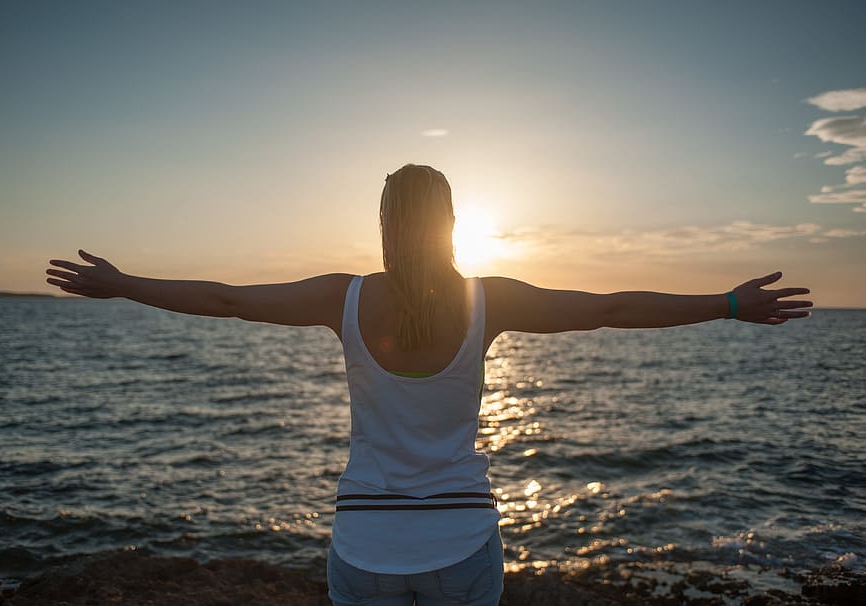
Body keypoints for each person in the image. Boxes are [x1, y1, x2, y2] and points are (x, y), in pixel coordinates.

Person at [45, 163, 812, 606]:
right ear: (449, 220)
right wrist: (727, 305)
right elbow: (609, 308)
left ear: (384, 222)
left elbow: (229, 299)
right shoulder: (489, 299)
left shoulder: (343, 296)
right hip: (462, 544)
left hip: (365, 548)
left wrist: (123, 284)